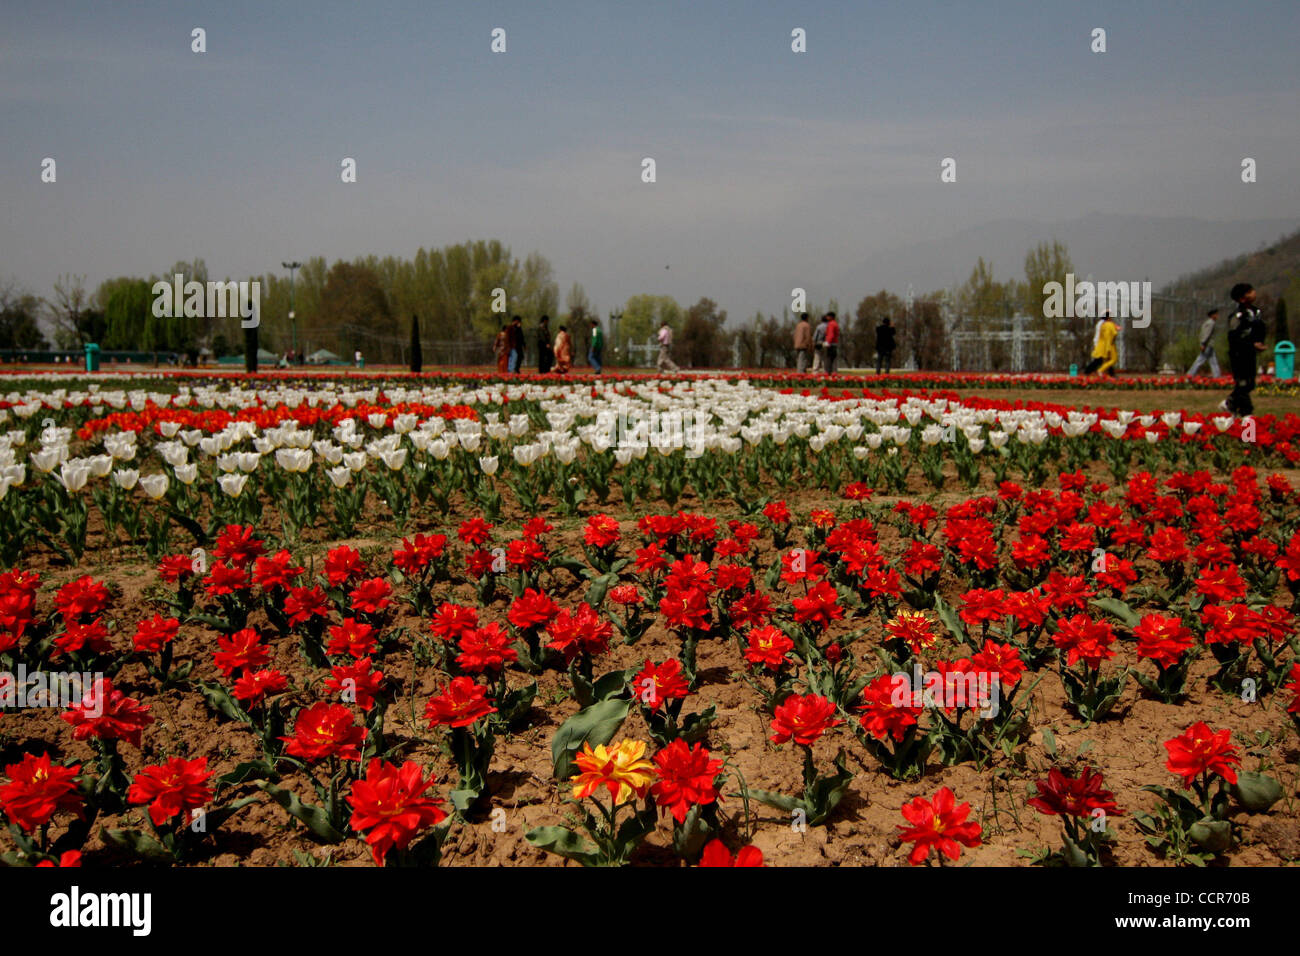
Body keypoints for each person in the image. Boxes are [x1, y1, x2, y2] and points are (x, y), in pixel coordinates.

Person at [1224, 283, 1266, 415]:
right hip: (1238, 354)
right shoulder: (1237, 316)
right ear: (1242, 298)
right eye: (1250, 292)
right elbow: (1234, 337)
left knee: (1250, 384)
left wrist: (1260, 342)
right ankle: (1246, 412)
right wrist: (1250, 344)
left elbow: (1260, 329)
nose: (1254, 293)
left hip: (1250, 353)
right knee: (1242, 383)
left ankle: (1231, 403)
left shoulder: (1256, 313)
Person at [1187, 309, 1222, 377]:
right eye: (1216, 314)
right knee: (1200, 360)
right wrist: (1203, 344)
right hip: (1207, 345)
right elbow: (1206, 334)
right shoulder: (1211, 323)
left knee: (1213, 361)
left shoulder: (1208, 322)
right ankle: (1190, 374)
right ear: (1212, 315)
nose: (1217, 316)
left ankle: (1217, 376)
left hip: (1209, 345)